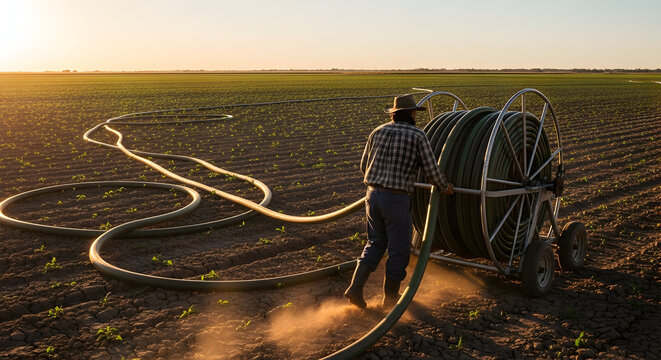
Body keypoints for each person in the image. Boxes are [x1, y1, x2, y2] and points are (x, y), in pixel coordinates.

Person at [344, 94, 453, 309]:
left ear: (393, 114)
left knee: (375, 243)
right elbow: (431, 171)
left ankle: (355, 288)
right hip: (397, 200)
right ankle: (390, 302)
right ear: (412, 114)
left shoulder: (378, 131)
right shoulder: (417, 136)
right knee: (399, 250)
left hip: (372, 196)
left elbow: (364, 165)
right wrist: (444, 187)